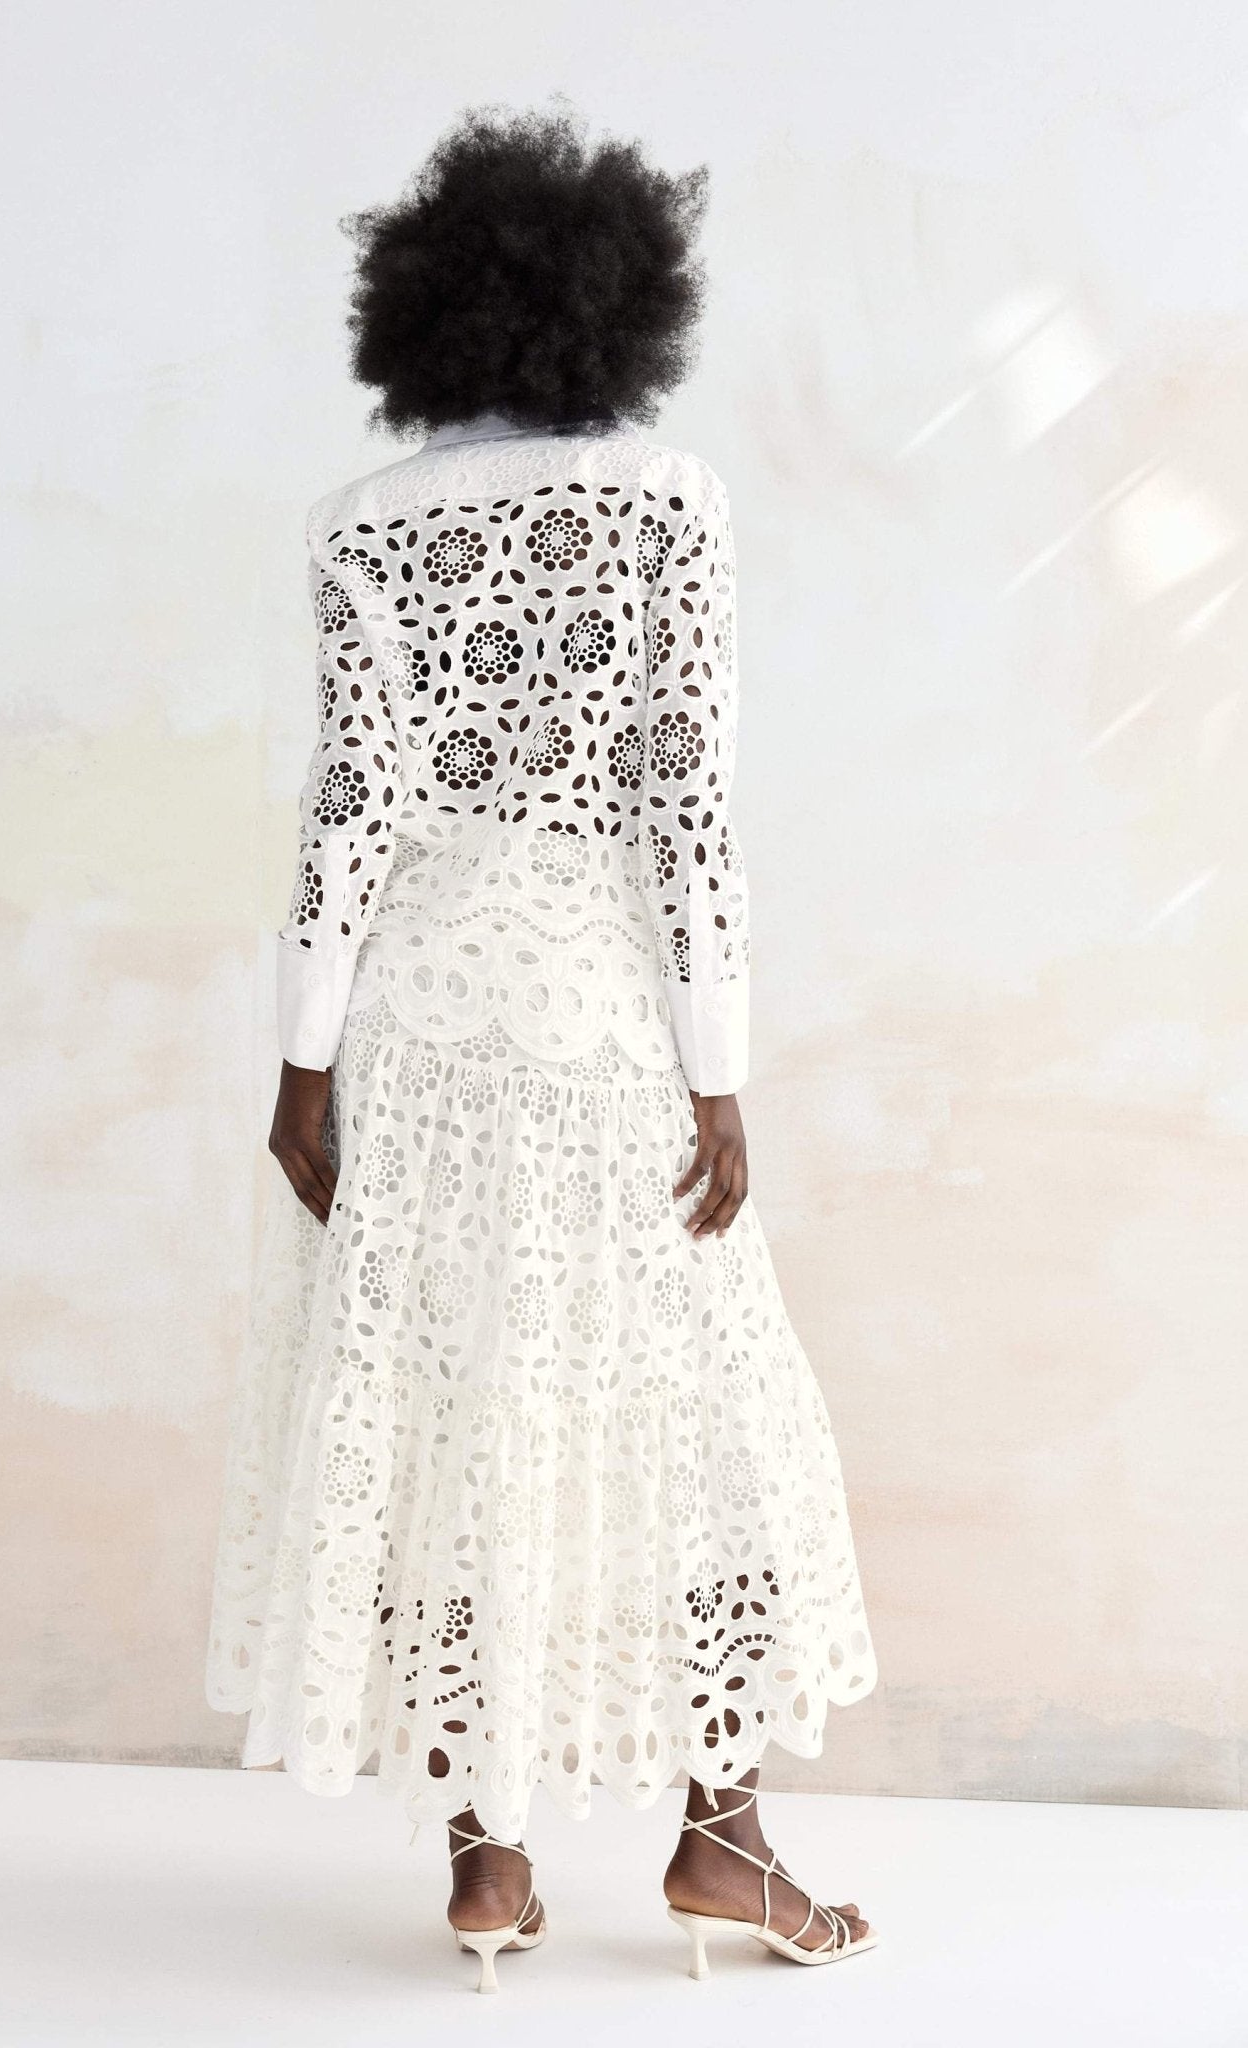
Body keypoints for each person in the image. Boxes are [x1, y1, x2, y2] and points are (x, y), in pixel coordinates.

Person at [204, 102, 880, 1992]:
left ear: (423, 312)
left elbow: (347, 814)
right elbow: (687, 807)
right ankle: (722, 1839)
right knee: (700, 1418)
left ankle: (488, 1861)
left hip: (414, 1029)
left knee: (450, 1416)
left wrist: (302, 1064)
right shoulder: (665, 499)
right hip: (596, 1025)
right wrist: (718, 1073)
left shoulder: (364, 527)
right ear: (612, 306)